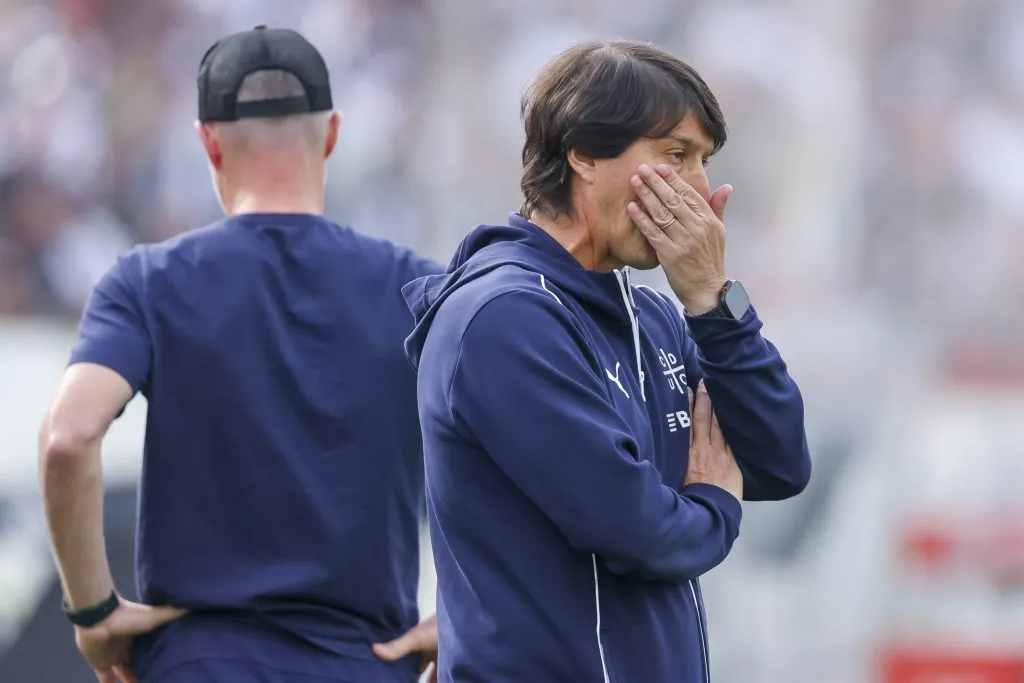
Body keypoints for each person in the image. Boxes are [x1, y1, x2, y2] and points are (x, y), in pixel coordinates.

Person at [39, 26, 440, 683]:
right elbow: (521, 444)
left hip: (197, 662)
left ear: (207, 140)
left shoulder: (147, 281)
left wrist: (94, 610)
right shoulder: (416, 287)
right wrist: (470, 611)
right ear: (332, 134)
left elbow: (68, 438)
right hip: (364, 664)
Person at [403, 40, 812, 683]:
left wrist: (713, 302)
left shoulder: (652, 316)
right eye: (676, 155)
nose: (701, 192)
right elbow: (636, 529)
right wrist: (713, 505)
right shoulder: (503, 318)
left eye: (704, 162)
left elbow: (780, 460)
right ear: (583, 154)